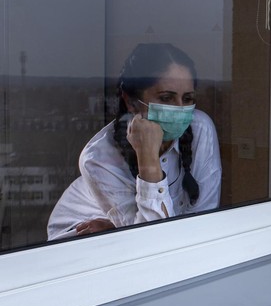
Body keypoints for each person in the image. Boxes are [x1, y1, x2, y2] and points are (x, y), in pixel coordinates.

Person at [48, 43, 221, 239]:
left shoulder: (201, 128)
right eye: (166, 98)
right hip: (77, 244)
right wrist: (148, 160)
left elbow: (204, 219)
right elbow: (149, 242)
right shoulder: (98, 159)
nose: (180, 109)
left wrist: (119, 230)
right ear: (131, 102)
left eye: (188, 98)